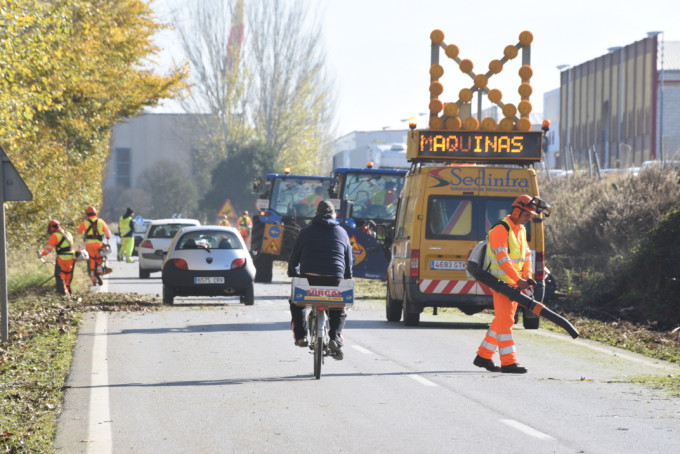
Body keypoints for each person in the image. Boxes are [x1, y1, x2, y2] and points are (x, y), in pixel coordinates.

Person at [473, 194, 539, 374]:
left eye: (531, 215)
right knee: (507, 321)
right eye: (527, 214)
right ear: (517, 210)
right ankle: (509, 362)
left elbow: (526, 256)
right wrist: (518, 280)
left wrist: (527, 276)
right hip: (500, 283)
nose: (529, 218)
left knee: (502, 320)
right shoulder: (500, 230)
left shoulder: (521, 230)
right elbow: (503, 260)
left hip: (514, 284)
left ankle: (483, 356)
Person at [287, 200, 353, 360]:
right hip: (334, 277)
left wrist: (292, 271)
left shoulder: (305, 231)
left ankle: (301, 336)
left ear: (316, 214)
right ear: (333, 215)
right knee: (338, 309)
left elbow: (294, 256)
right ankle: (335, 337)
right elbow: (348, 259)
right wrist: (346, 276)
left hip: (310, 278)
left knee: (296, 304)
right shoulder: (342, 232)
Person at [39, 220, 77, 296]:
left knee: (59, 275)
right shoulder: (68, 233)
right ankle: (68, 292)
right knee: (68, 274)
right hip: (72, 257)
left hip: (62, 258)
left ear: (52, 228)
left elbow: (48, 249)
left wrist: (41, 254)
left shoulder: (55, 235)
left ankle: (62, 293)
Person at [77, 205, 112, 286]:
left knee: (91, 260)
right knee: (100, 258)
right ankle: (99, 272)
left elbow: (79, 231)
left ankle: (93, 279)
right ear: (96, 213)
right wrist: (108, 237)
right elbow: (108, 233)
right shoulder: (101, 221)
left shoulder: (84, 223)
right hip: (99, 244)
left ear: (87, 214)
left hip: (89, 245)